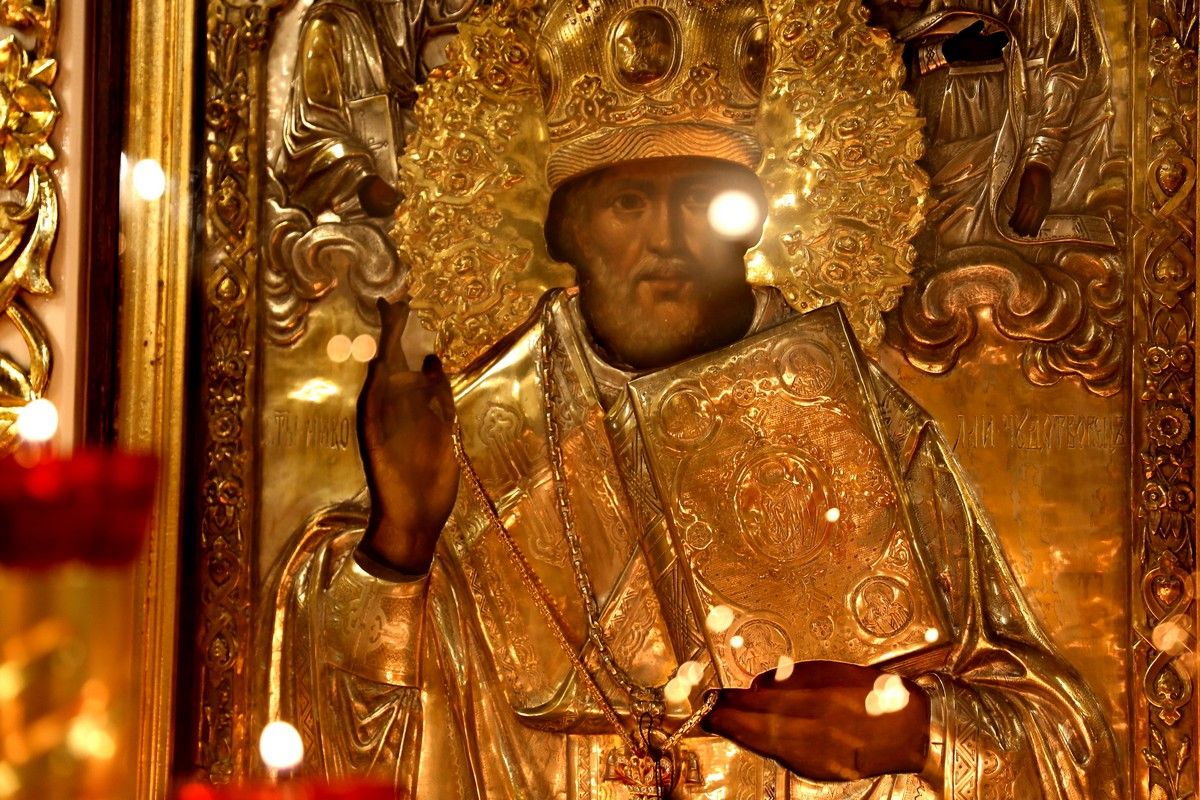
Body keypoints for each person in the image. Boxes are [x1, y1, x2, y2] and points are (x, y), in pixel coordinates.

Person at [263, 0, 1124, 796]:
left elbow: (1063, 742)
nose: (667, 239)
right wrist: (401, 544)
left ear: (753, 224)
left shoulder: (870, 436)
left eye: (704, 202)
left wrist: (915, 738)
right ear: (566, 230)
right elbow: (341, 750)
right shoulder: (480, 447)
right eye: (627, 203)